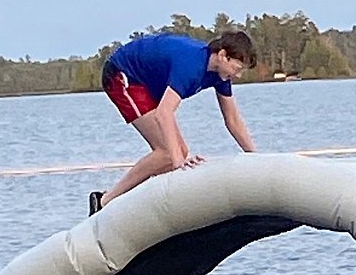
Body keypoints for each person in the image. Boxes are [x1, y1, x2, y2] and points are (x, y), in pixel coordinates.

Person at [89, 30, 257, 214]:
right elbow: (164, 113)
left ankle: (133, 202)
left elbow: (232, 120)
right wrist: (178, 161)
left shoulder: (221, 76)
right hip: (123, 74)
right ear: (223, 55)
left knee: (179, 152)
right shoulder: (192, 66)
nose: (238, 75)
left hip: (149, 83)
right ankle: (104, 201)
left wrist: (255, 157)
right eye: (238, 69)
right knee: (170, 153)